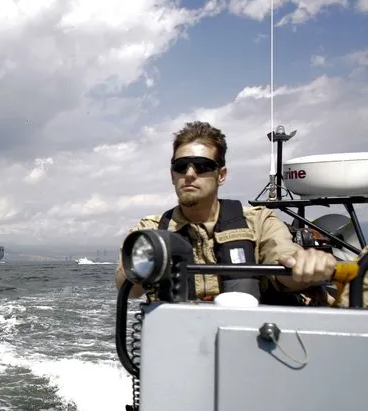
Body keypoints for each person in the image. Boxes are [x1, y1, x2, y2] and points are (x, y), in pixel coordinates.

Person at [114, 121, 338, 305]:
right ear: (172, 175)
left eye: (202, 166)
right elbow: (128, 288)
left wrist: (304, 264)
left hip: (248, 343)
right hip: (176, 345)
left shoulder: (258, 222)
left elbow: (283, 257)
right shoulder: (151, 231)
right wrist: (142, 263)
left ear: (221, 175)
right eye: (181, 167)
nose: (190, 174)